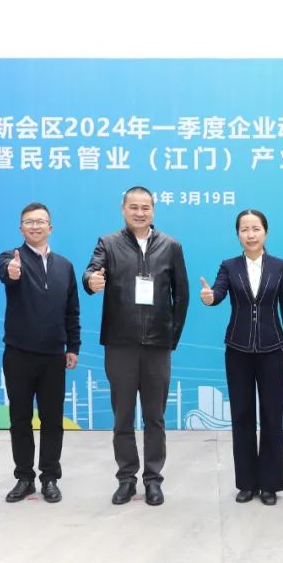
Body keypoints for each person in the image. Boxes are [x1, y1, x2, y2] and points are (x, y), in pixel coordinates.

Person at [82, 186, 189, 506]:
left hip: (157, 346)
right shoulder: (108, 243)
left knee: (155, 417)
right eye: (134, 207)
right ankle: (126, 479)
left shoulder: (171, 246)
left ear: (153, 210)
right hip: (120, 344)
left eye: (145, 207)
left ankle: (153, 480)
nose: (139, 213)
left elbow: (181, 296)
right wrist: (91, 281)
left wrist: (170, 338)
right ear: (123, 209)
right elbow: (91, 271)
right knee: (123, 417)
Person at [200, 209, 283, 506]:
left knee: (271, 417)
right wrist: (210, 298)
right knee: (241, 416)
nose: (251, 234)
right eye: (245, 229)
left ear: (265, 232)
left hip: (272, 350)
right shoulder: (229, 266)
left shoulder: (280, 266)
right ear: (238, 234)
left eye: (256, 229)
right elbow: (218, 292)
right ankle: (246, 483)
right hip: (238, 351)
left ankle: (269, 485)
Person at [0, 202, 80, 504]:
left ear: (50, 227)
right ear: (21, 228)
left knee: (52, 419)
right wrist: (12, 270)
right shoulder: (11, 258)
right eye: (29, 222)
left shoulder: (65, 266)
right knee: (20, 419)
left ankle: (49, 477)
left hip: (53, 356)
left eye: (40, 221)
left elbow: (72, 310)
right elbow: (6, 273)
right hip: (18, 354)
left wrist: (73, 347)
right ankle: (24, 477)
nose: (35, 226)